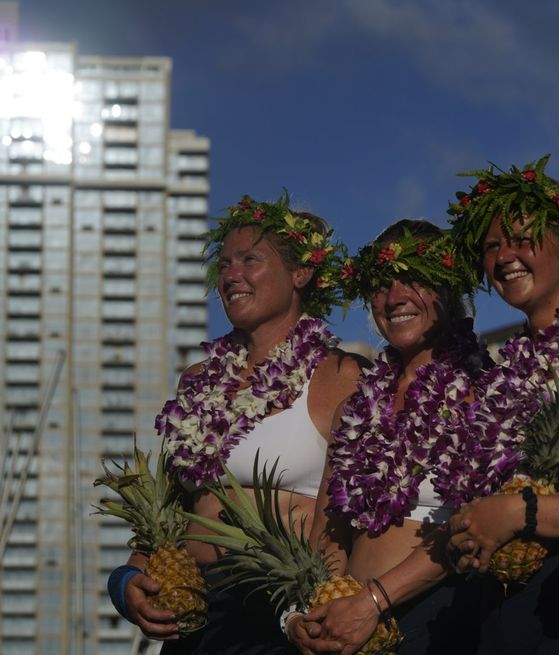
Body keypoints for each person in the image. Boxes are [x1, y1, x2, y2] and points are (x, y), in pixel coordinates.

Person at [109, 192, 364, 654]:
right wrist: (129, 577)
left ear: (301, 273)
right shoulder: (198, 380)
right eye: (224, 264)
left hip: (282, 610)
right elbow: (169, 507)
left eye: (250, 260)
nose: (231, 276)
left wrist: (322, 610)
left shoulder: (337, 375)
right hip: (192, 607)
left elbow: (343, 523)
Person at [444, 155, 559, 654]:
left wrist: (517, 514)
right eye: (491, 246)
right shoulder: (501, 369)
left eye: (522, 238)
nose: (505, 255)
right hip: (503, 603)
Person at [287, 220, 490, 655]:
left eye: (413, 277)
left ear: (450, 284)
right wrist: (310, 610)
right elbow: (328, 534)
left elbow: (477, 525)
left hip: (443, 622)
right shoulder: (355, 409)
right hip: (350, 631)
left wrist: (374, 600)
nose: (395, 297)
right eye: (381, 284)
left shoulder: (484, 390)